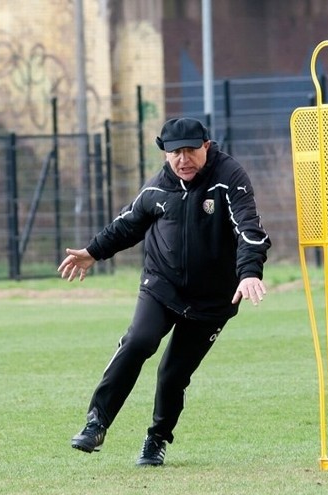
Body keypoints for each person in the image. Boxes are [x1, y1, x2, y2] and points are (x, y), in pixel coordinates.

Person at [58, 117, 271, 466]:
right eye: (175, 153)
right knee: (138, 341)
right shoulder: (158, 187)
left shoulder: (230, 178)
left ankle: (156, 439)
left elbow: (249, 228)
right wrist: (93, 251)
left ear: (206, 146)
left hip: (212, 300)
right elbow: (127, 225)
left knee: (173, 373)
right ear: (165, 155)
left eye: (190, 150)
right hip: (162, 285)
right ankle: (97, 421)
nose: (183, 159)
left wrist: (249, 273)